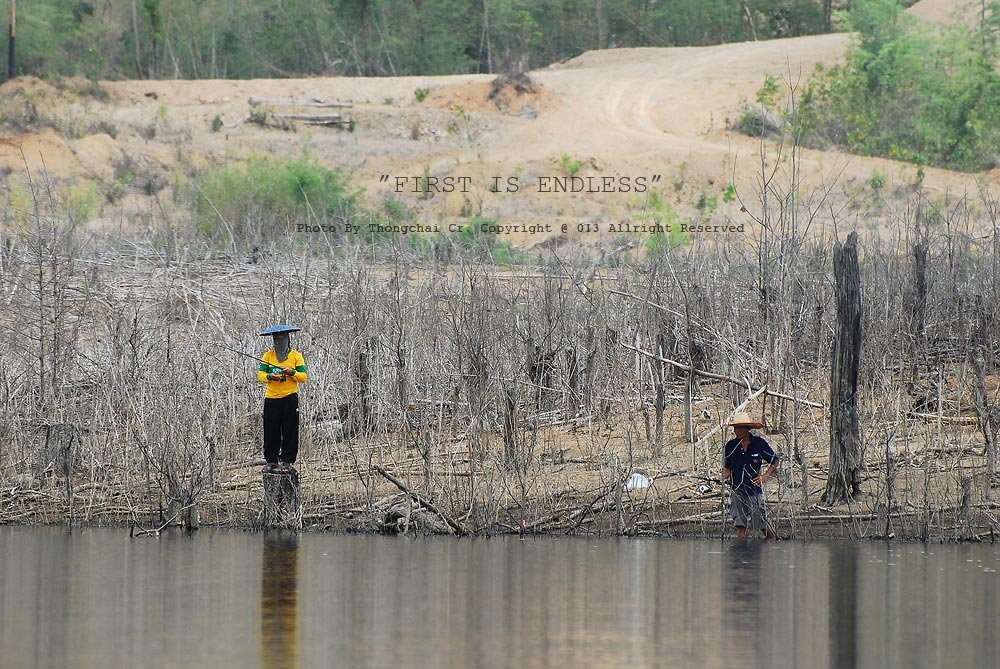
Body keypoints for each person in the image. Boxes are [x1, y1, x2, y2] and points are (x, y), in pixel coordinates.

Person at [257, 324, 308, 473]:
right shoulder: (268, 356)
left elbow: (303, 377)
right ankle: (271, 461)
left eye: (281, 338)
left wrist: (292, 372)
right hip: (272, 398)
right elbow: (260, 375)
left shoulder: (296, 356)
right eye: (276, 339)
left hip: (290, 398)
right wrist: (269, 376)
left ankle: (287, 462)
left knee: (290, 430)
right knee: (271, 430)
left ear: (287, 339)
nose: (278, 341)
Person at [723, 411, 780, 540]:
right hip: (737, 489)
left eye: (739, 428)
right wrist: (721, 478)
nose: (736, 431)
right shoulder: (730, 446)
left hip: (754, 489)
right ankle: (742, 551)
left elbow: (774, 460)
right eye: (735, 428)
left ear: (747, 429)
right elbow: (727, 470)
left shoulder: (759, 443)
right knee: (740, 523)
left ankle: (772, 541)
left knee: (760, 521)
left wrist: (765, 476)